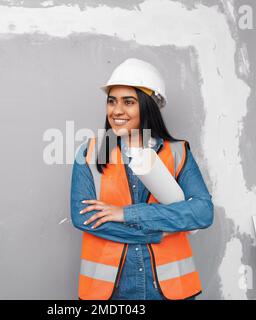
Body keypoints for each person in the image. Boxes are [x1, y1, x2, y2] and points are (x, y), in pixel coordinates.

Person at [70, 58, 214, 300]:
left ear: (149, 106)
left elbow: (203, 212)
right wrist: (157, 233)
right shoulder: (90, 152)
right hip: (112, 292)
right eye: (112, 101)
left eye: (129, 102)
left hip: (170, 290)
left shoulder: (178, 152)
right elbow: (84, 218)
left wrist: (127, 214)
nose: (116, 111)